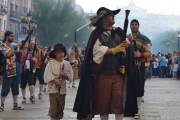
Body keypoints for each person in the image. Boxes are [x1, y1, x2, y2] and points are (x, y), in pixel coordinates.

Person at [73, 7, 138, 120]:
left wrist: (127, 47)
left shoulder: (119, 32)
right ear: (103, 18)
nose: (113, 16)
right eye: (110, 15)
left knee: (119, 102)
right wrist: (114, 50)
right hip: (102, 73)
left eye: (113, 14)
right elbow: (96, 51)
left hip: (119, 73)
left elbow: (128, 48)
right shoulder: (96, 34)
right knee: (103, 103)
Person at [127, 19, 152, 119]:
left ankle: (137, 110)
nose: (134, 26)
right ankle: (130, 108)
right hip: (128, 65)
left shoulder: (144, 39)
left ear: (138, 26)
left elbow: (149, 53)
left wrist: (140, 54)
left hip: (139, 66)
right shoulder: (126, 38)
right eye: (132, 24)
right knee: (129, 87)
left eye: (135, 24)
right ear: (130, 26)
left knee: (139, 87)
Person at [44, 44, 73, 120]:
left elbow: (70, 77)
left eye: (62, 52)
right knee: (54, 109)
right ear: (55, 53)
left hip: (62, 90)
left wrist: (65, 75)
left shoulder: (67, 64)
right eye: (59, 52)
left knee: (60, 108)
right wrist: (54, 80)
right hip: (53, 89)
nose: (61, 53)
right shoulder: (51, 63)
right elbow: (47, 75)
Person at [0, 31, 24, 112]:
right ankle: (2, 105)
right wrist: (16, 48)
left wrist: (20, 50)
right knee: (5, 87)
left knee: (15, 86)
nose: (13, 37)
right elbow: (8, 54)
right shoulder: (3, 45)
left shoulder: (13, 46)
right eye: (11, 36)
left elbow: (18, 57)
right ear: (7, 36)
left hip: (16, 68)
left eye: (13, 36)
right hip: (8, 69)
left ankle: (15, 104)